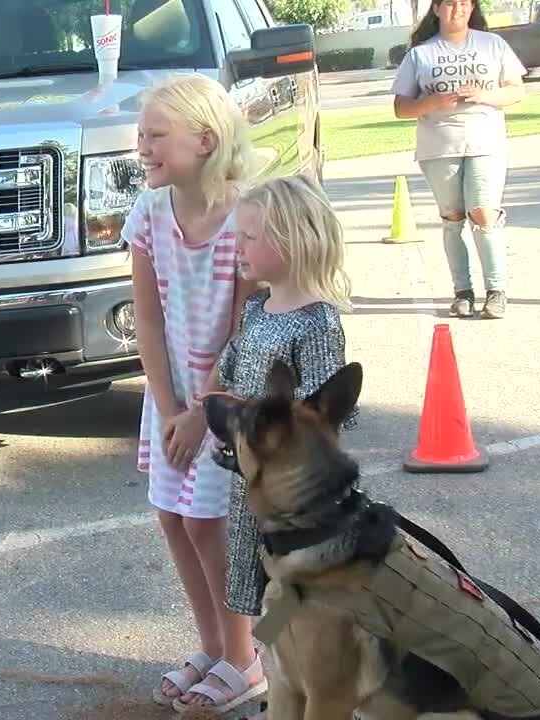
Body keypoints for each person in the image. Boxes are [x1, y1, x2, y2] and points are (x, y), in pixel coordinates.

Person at [173, 173, 359, 718]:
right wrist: (205, 409)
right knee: (262, 594)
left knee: (296, 598)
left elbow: (323, 418)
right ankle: (274, 680)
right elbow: (225, 375)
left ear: (294, 240)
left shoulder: (317, 322)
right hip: (251, 490)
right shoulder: (256, 310)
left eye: (251, 236)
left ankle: (298, 690)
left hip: (295, 502)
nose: (239, 247)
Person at [123, 73, 266, 712]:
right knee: (172, 517)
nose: (143, 148)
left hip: (223, 402)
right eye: (141, 136)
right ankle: (212, 647)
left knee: (210, 521)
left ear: (205, 140)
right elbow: (146, 319)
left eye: (156, 135)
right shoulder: (149, 214)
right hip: (170, 398)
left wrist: (202, 410)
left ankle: (246, 658)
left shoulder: (247, 218)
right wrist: (167, 406)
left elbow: (242, 326)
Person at [391, 0, 527, 319]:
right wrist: (433, 102)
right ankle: (462, 292)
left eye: (465, 4)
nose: (459, 10)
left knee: (483, 212)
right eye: (451, 4)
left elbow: (517, 91)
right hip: (439, 147)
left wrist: (484, 96)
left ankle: (496, 291)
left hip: (484, 141)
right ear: (436, 9)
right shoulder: (420, 54)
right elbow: (401, 107)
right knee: (453, 218)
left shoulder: (491, 45)